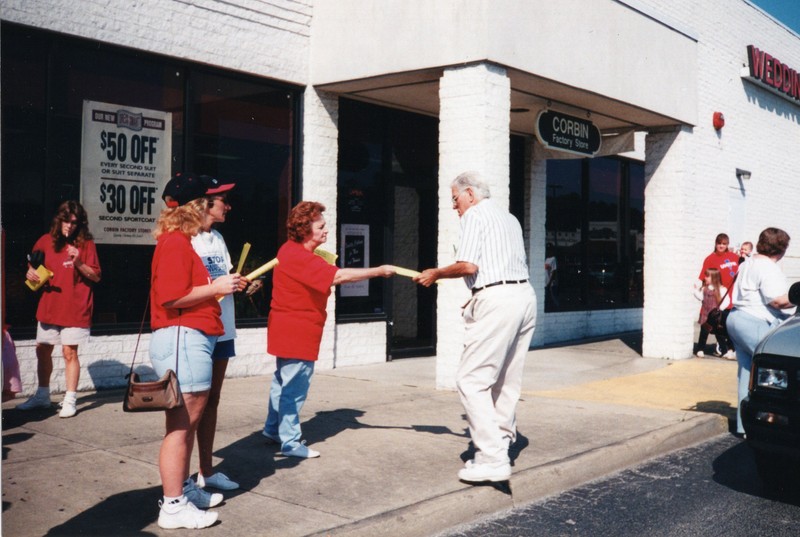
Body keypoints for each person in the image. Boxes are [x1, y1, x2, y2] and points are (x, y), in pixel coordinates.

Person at [413, 171, 536, 484]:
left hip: (497, 299)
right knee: (507, 378)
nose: (455, 207)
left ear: (469, 193)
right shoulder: (509, 219)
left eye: (455, 199)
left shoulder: (473, 216)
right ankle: (504, 438)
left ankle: (492, 458)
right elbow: (501, 266)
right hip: (523, 296)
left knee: (470, 380)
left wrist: (436, 273)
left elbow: (468, 265)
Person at [150, 172, 247, 530]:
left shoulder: (179, 241)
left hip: (190, 339)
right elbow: (171, 297)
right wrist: (216, 286)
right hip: (184, 338)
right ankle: (174, 505)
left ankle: (184, 489)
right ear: (196, 206)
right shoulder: (176, 243)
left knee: (184, 425)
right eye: (206, 202)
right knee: (181, 426)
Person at [262, 201, 394, 458]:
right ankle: (290, 442)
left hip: (287, 327)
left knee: (282, 382)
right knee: (294, 389)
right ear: (304, 228)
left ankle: (272, 429)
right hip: (297, 329)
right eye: (320, 226)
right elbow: (338, 277)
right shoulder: (298, 255)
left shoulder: (290, 251)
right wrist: (378, 271)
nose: (326, 230)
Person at [18, 201, 101, 417]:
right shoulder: (46, 241)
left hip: (75, 307)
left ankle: (70, 399)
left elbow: (96, 276)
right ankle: (42, 396)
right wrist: (30, 272)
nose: (70, 226)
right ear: (59, 220)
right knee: (42, 349)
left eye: (75, 222)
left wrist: (79, 262)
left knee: (69, 352)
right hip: (50, 305)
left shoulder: (86, 244)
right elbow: (32, 263)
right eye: (66, 221)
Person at [190, 178, 242, 492]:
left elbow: (223, 278)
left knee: (213, 400)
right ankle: (184, 480)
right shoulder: (189, 240)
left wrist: (240, 282)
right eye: (224, 199)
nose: (229, 205)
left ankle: (206, 470)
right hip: (199, 329)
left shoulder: (218, 237)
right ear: (207, 203)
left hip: (224, 328)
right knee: (193, 402)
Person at [727, 227, 795, 436]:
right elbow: (776, 300)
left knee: (747, 373)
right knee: (776, 372)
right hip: (755, 321)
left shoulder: (749, 263)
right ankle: (772, 424)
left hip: (736, 319)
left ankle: (743, 426)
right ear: (781, 250)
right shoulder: (768, 267)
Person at [693, 268, 732, 359]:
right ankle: (700, 349)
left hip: (715, 317)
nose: (705, 278)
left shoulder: (722, 289)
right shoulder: (704, 289)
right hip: (705, 315)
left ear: (714, 278)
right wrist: (695, 291)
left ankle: (724, 350)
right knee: (703, 333)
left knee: (719, 334)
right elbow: (701, 297)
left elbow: (727, 301)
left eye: (707, 276)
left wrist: (720, 309)